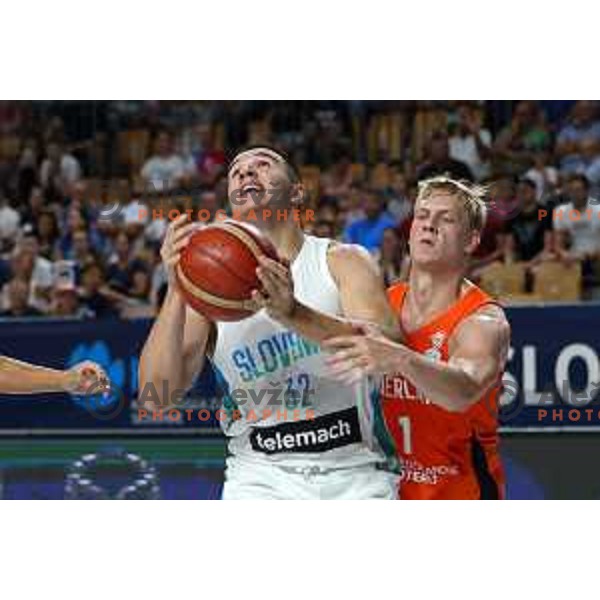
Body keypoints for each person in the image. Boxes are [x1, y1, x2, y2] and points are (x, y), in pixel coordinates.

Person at [139, 145, 401, 500]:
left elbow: (390, 355)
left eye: (262, 165)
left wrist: (294, 314)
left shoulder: (342, 261)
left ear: (296, 192)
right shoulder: (209, 293)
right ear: (231, 199)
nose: (247, 173)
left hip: (355, 470)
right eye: (236, 172)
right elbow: (158, 398)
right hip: (259, 477)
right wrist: (178, 286)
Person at [323, 176, 511, 499]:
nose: (429, 225)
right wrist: (289, 309)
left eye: (446, 219)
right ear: (409, 232)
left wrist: (400, 357)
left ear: (471, 240)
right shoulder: (382, 304)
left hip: (460, 497)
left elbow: (462, 392)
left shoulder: (482, 321)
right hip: (384, 494)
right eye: (422, 216)